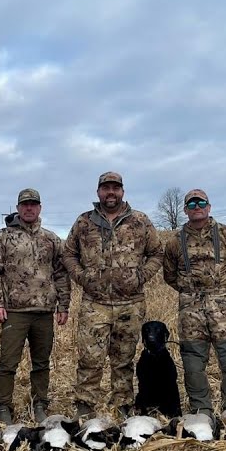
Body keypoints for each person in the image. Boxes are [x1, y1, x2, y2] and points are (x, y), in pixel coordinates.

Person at [62, 171, 164, 419]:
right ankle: (86, 406)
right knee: (90, 359)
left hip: (130, 304)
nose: (111, 192)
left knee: (124, 359)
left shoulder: (140, 221)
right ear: (98, 192)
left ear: (122, 192)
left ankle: (123, 404)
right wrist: (82, 277)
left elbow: (156, 253)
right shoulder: (84, 222)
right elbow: (69, 254)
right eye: (106, 188)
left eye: (115, 188)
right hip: (94, 304)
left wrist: (140, 276)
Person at [0, 188, 71, 424]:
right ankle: (3, 405)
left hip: (43, 312)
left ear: (39, 208)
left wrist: (63, 305)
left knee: (41, 363)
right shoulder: (3, 237)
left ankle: (39, 403)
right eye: (25, 204)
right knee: (8, 362)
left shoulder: (51, 239)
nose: (29, 208)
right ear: (18, 208)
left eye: (33, 204)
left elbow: (61, 273)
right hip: (14, 312)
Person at [161, 188, 226, 416]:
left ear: (209, 207)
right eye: (191, 204)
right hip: (190, 310)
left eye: (201, 203)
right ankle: (202, 410)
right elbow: (169, 275)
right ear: (185, 210)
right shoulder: (175, 242)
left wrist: (223, 289)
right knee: (193, 363)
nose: (196, 207)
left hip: (222, 307)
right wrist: (189, 292)